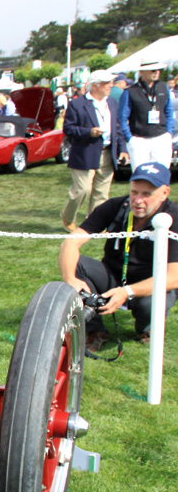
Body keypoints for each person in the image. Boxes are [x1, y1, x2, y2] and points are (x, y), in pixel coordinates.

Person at [59, 161, 178, 350]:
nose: (138, 200)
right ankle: (94, 330)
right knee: (77, 265)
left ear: (165, 193)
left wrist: (127, 291)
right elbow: (71, 241)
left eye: (147, 194)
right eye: (134, 192)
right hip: (114, 276)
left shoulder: (174, 218)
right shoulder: (116, 206)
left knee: (153, 303)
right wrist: (70, 279)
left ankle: (145, 329)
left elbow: (174, 277)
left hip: (151, 284)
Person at [60, 69, 129, 231]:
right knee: (82, 190)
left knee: (101, 193)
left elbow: (117, 127)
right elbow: (68, 129)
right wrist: (88, 132)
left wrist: (123, 149)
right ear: (96, 85)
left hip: (107, 152)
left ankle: (95, 222)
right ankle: (67, 216)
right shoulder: (77, 104)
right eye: (107, 83)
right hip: (85, 152)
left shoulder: (111, 102)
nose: (110, 86)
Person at [119, 60, 174, 168]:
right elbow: (122, 118)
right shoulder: (131, 91)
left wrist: (168, 133)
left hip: (161, 137)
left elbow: (168, 112)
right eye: (153, 70)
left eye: (159, 70)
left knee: (160, 175)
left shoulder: (163, 87)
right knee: (141, 176)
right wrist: (130, 139)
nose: (156, 72)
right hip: (139, 140)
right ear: (142, 72)